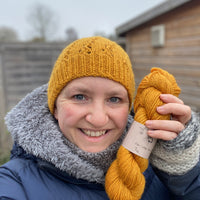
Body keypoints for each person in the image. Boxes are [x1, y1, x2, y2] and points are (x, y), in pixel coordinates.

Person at [0, 36, 199, 200]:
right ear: (55, 108)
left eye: (114, 99)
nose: (97, 119)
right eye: (79, 97)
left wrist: (182, 168)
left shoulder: (155, 164)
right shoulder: (14, 182)